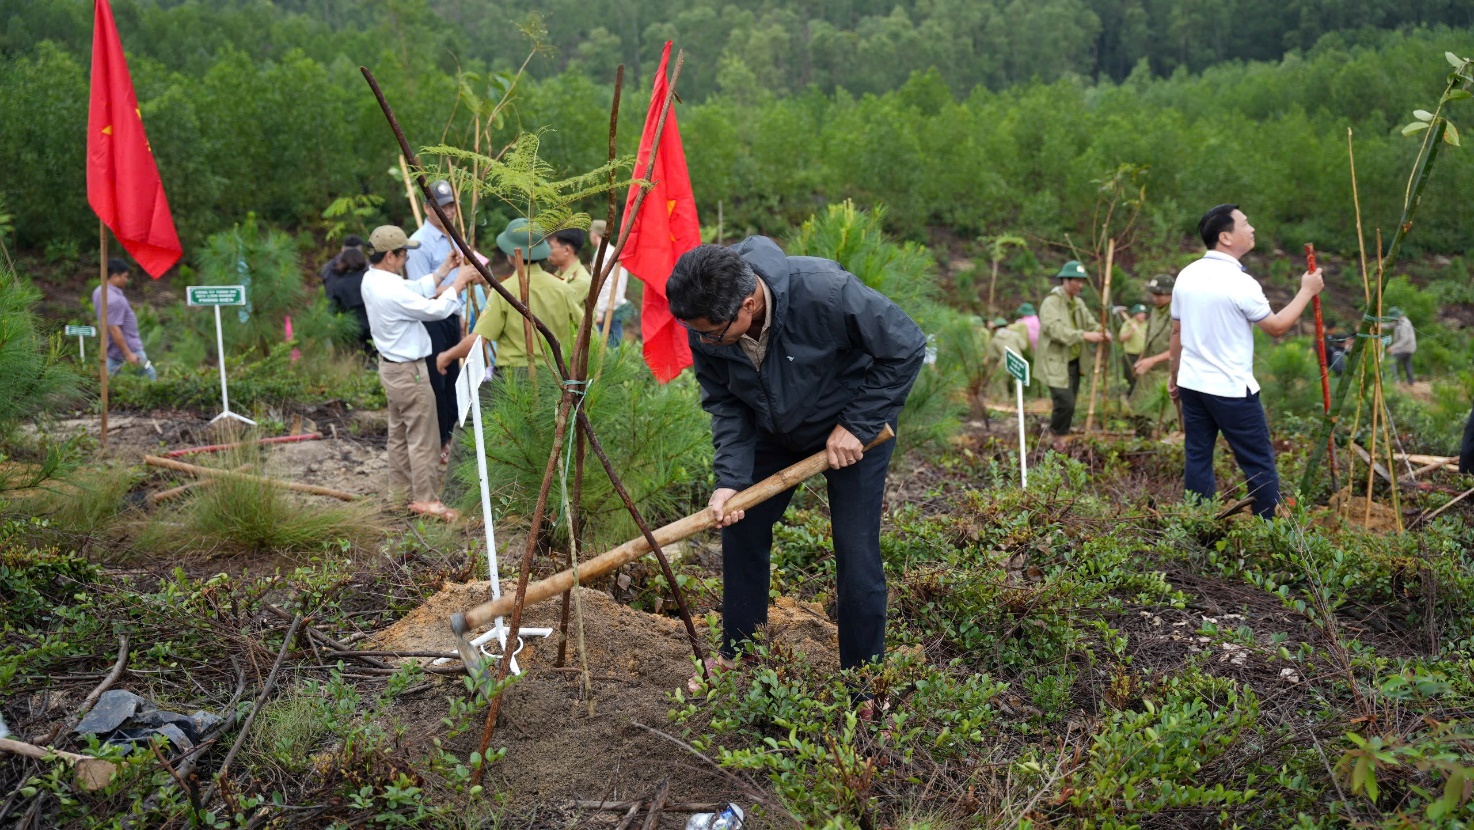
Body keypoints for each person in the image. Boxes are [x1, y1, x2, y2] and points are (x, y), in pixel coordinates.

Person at [666, 238, 926, 704]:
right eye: (696, 332)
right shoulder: (704, 319)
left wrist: (857, 425)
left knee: (855, 548)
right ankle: (741, 652)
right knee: (740, 527)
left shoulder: (825, 292)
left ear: (748, 304)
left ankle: (863, 685)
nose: (702, 342)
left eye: (711, 334)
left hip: (852, 429)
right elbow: (725, 403)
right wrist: (730, 479)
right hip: (770, 429)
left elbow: (905, 346)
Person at [1170, 204, 1324, 519]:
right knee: (1257, 461)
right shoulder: (1239, 282)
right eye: (1245, 223)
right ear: (1225, 236)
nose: (1251, 228)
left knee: (1197, 456)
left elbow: (1176, 331)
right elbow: (1277, 327)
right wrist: (1306, 291)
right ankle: (1269, 534)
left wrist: (1174, 377)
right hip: (1230, 389)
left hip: (1192, 383)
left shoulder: (1187, 275)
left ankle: (1199, 528)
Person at [360, 224, 479, 521]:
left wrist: (442, 271)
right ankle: (425, 499)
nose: (406, 261)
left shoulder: (372, 280)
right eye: (403, 255)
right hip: (409, 373)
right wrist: (459, 282)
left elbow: (412, 290)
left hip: (390, 369)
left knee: (399, 434)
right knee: (424, 436)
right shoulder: (390, 291)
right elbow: (434, 311)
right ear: (390, 257)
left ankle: (398, 495)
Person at [436, 218, 583, 374]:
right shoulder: (563, 288)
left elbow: (478, 340)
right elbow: (587, 331)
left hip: (515, 379)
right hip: (557, 375)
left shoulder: (504, 291)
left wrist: (446, 356)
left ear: (511, 254)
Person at [405, 179, 465, 462]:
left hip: (454, 317)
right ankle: (439, 440)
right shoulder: (419, 244)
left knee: (455, 378)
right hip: (433, 321)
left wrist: (461, 304)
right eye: (442, 207)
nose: (449, 212)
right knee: (438, 381)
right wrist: (459, 286)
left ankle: (453, 436)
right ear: (429, 209)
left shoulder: (455, 235)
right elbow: (421, 292)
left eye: (452, 206)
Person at [1038, 260, 1110, 451]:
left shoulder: (1078, 303)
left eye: (1082, 281)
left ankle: (1059, 436)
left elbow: (1090, 323)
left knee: (1070, 401)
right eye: (1076, 281)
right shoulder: (1051, 303)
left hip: (1074, 362)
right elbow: (1053, 329)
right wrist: (1083, 335)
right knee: (1065, 402)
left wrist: (1101, 331)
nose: (1079, 285)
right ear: (1065, 280)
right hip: (1055, 362)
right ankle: (1057, 436)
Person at [92, 257, 156, 381]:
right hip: (129, 349)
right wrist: (128, 354)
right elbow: (114, 328)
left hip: (111, 349)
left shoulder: (99, 291)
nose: (127, 280)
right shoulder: (114, 299)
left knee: (110, 382)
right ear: (116, 276)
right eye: (125, 276)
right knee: (150, 376)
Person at [1129, 275, 1175, 435]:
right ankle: (1142, 443)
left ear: (1170, 294)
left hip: (1169, 371)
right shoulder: (1155, 311)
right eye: (1153, 294)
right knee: (1140, 408)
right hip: (1150, 370)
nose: (1155, 298)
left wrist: (1152, 361)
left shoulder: (1178, 312)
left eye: (1159, 294)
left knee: (1169, 415)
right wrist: (1141, 360)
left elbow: (1182, 347)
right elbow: (1149, 339)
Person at [324, 247, 373, 355]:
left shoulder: (338, 286)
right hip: (375, 328)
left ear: (343, 262)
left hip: (352, 332)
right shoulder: (370, 280)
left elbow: (331, 310)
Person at [590, 219, 630, 345]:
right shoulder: (614, 252)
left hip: (608, 310)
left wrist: (600, 311)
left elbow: (605, 284)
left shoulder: (603, 254)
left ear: (594, 235)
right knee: (614, 346)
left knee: (608, 349)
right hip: (616, 305)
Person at [547, 227, 592, 307]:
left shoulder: (581, 281)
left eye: (551, 247)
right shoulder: (558, 275)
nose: (547, 251)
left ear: (566, 250)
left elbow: (553, 308)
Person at [1117, 303, 1148, 394]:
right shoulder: (1128, 324)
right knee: (1130, 377)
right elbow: (1121, 338)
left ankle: (1138, 396)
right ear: (1136, 314)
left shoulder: (1146, 325)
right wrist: (1131, 331)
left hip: (1143, 355)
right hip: (1131, 355)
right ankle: (1130, 396)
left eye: (1144, 313)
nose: (1143, 315)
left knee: (1141, 378)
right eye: (1141, 313)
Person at [1388, 308, 1416, 384]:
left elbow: (1404, 340)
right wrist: (1378, 325)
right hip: (1410, 347)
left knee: (1391, 360)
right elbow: (1389, 326)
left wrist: (1392, 347)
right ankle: (1411, 381)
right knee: (1407, 363)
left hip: (1406, 347)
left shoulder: (1404, 324)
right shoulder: (1398, 321)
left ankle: (1395, 380)